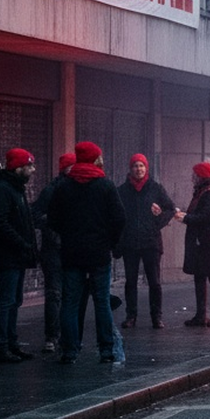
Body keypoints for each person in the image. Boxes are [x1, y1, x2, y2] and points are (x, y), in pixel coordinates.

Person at [46, 141, 127, 365]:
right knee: (101, 301)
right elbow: (119, 218)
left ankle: (70, 350)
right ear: (95, 159)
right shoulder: (105, 186)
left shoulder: (64, 187)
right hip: (99, 253)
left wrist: (68, 235)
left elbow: (52, 219)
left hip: (72, 252)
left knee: (70, 302)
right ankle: (106, 350)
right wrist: (110, 241)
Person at [0, 148, 39, 363]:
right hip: (7, 255)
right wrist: (22, 243)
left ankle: (11, 343)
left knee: (14, 300)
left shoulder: (16, 188)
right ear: (19, 167)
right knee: (6, 300)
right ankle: (1, 346)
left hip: (16, 254)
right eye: (29, 166)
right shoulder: (2, 189)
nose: (32, 170)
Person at [116, 153, 176, 330]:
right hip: (130, 243)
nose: (138, 169)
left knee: (154, 282)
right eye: (135, 165)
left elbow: (170, 209)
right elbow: (117, 214)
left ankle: (156, 316)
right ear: (130, 168)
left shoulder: (155, 188)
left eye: (141, 166)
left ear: (146, 168)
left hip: (151, 242)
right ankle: (131, 315)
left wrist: (157, 221)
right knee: (131, 281)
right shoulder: (122, 191)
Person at [175, 161, 210, 327]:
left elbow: (206, 217)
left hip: (208, 244)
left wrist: (185, 218)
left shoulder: (209, 194)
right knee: (202, 277)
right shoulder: (203, 192)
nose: (192, 177)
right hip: (203, 243)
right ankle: (201, 315)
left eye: (194, 174)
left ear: (200, 176)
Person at [32, 152, 75, 353]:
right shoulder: (52, 190)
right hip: (54, 249)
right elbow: (36, 215)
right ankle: (53, 336)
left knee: (63, 294)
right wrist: (54, 225)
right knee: (55, 293)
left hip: (66, 248)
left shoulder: (76, 189)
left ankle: (61, 335)